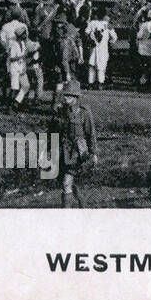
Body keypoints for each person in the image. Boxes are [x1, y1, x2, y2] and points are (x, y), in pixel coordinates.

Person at [52, 80, 96, 208]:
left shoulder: (84, 113)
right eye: (64, 95)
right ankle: (82, 203)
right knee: (66, 182)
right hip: (61, 151)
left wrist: (93, 153)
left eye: (69, 96)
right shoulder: (60, 111)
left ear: (76, 97)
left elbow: (90, 133)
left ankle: (66, 213)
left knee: (67, 182)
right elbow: (52, 132)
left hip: (77, 153)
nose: (65, 98)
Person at [85, 8, 117, 88]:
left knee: (92, 65)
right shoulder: (107, 25)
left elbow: (86, 33)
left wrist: (90, 39)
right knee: (101, 66)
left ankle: (90, 83)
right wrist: (110, 41)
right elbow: (114, 37)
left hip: (93, 47)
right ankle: (100, 83)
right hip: (103, 47)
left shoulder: (92, 23)